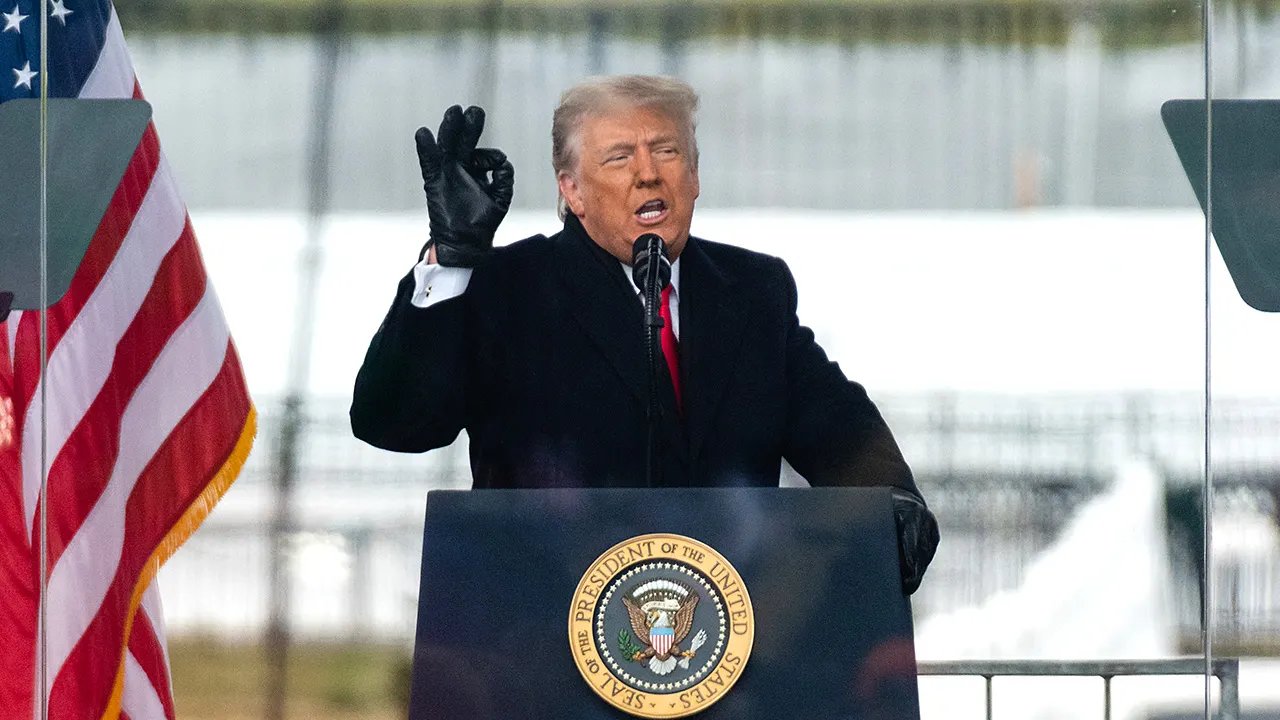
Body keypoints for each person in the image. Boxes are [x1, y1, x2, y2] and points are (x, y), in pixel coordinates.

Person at [351, 75, 937, 593]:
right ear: (572, 191)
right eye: (618, 157)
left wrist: (891, 496)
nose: (648, 172)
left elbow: (837, 425)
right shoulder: (508, 287)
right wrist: (452, 259)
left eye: (666, 150)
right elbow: (394, 423)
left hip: (729, 637)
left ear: (695, 175)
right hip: (540, 635)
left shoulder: (752, 291)